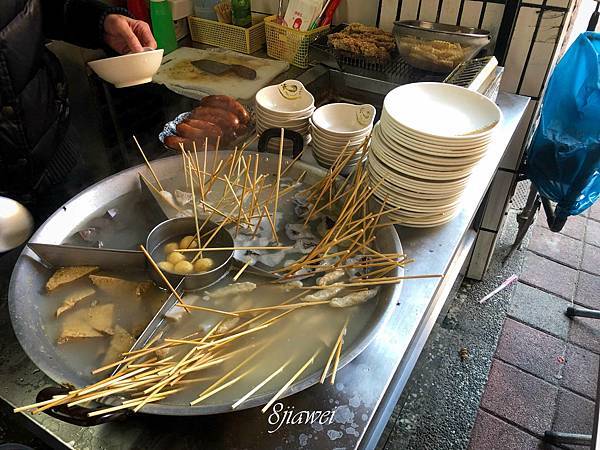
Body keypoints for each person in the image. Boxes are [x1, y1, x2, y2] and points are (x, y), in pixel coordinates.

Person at [0, 0, 156, 207]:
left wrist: (98, 21)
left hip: (53, 146)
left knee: (102, 230)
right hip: (5, 185)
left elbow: (34, 9)